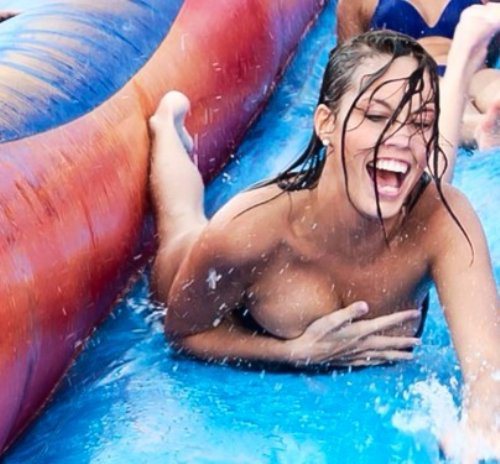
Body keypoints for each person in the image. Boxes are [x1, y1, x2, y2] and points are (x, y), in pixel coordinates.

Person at [149, 29, 499, 461]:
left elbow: (487, 366)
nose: (401, 137)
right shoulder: (250, 228)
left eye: (421, 122)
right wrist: (291, 352)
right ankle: (167, 131)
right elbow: (185, 332)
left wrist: (480, 428)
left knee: (426, 183)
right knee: (183, 221)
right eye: (376, 116)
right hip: (204, 265)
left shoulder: (442, 221)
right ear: (326, 124)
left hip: (398, 199)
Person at [337, 0, 500, 154]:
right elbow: (348, 64)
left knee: (493, 86)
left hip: (476, 72)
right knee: (437, 92)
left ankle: (483, 123)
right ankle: (477, 128)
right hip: (415, 76)